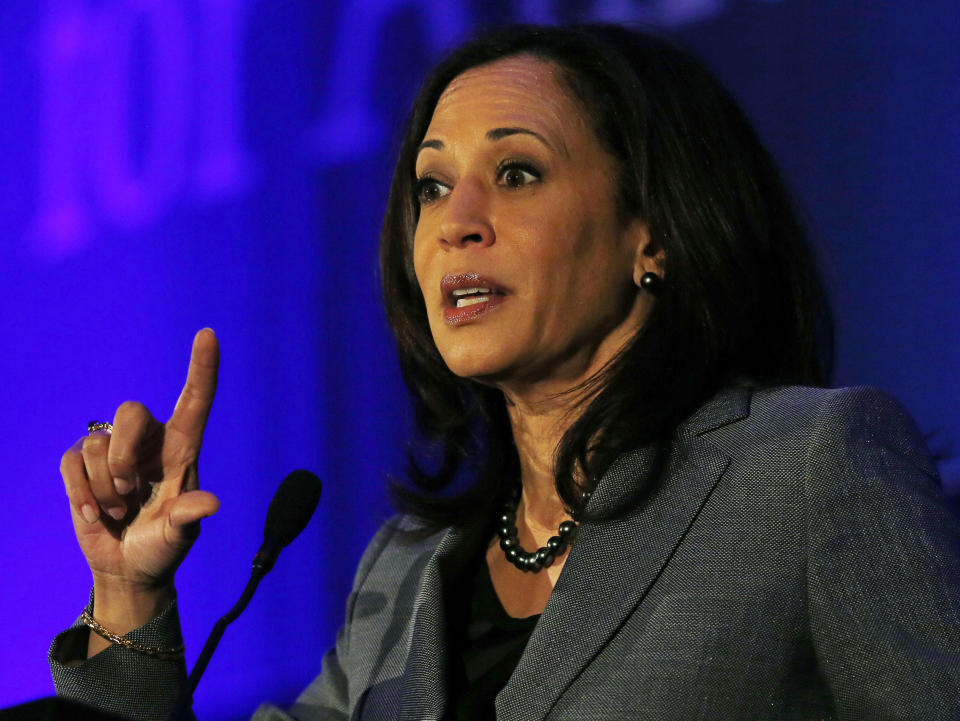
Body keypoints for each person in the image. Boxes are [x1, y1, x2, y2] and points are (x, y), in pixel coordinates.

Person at [50, 24, 960, 721]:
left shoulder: (810, 465)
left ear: (656, 234)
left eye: (518, 172)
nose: (456, 223)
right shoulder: (404, 568)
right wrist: (129, 589)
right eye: (433, 186)